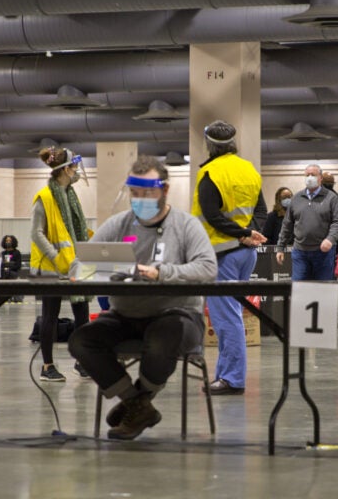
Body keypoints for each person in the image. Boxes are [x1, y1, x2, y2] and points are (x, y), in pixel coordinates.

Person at [68, 156, 217, 440]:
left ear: (165, 191)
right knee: (81, 340)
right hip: (125, 316)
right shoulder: (118, 225)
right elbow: (78, 265)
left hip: (177, 317)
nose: (141, 199)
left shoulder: (186, 225)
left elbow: (208, 268)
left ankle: (134, 404)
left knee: (163, 336)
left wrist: (160, 272)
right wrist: (109, 269)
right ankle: (137, 405)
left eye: (148, 192)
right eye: (135, 193)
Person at [192, 120, 267, 395]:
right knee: (230, 315)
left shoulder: (210, 173)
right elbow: (261, 210)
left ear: (209, 144)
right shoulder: (249, 170)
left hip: (222, 254)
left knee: (226, 319)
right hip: (246, 254)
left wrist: (241, 234)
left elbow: (212, 215)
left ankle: (233, 379)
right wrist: (250, 233)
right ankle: (224, 375)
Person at [30, 147, 91, 382]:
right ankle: (47, 366)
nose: (77, 170)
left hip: (73, 263)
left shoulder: (69, 194)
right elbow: (36, 234)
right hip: (50, 266)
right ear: (65, 169)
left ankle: (82, 361)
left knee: (82, 312)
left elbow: (71, 231)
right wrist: (56, 257)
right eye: (74, 166)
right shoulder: (44, 197)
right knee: (50, 315)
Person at [276, 164, 338, 281]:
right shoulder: (296, 199)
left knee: (323, 289)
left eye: (313, 175)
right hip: (300, 252)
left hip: (323, 253)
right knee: (299, 289)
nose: (310, 177)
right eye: (307, 175)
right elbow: (287, 224)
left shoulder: (331, 198)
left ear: (320, 178)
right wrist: (280, 247)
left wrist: (330, 239)